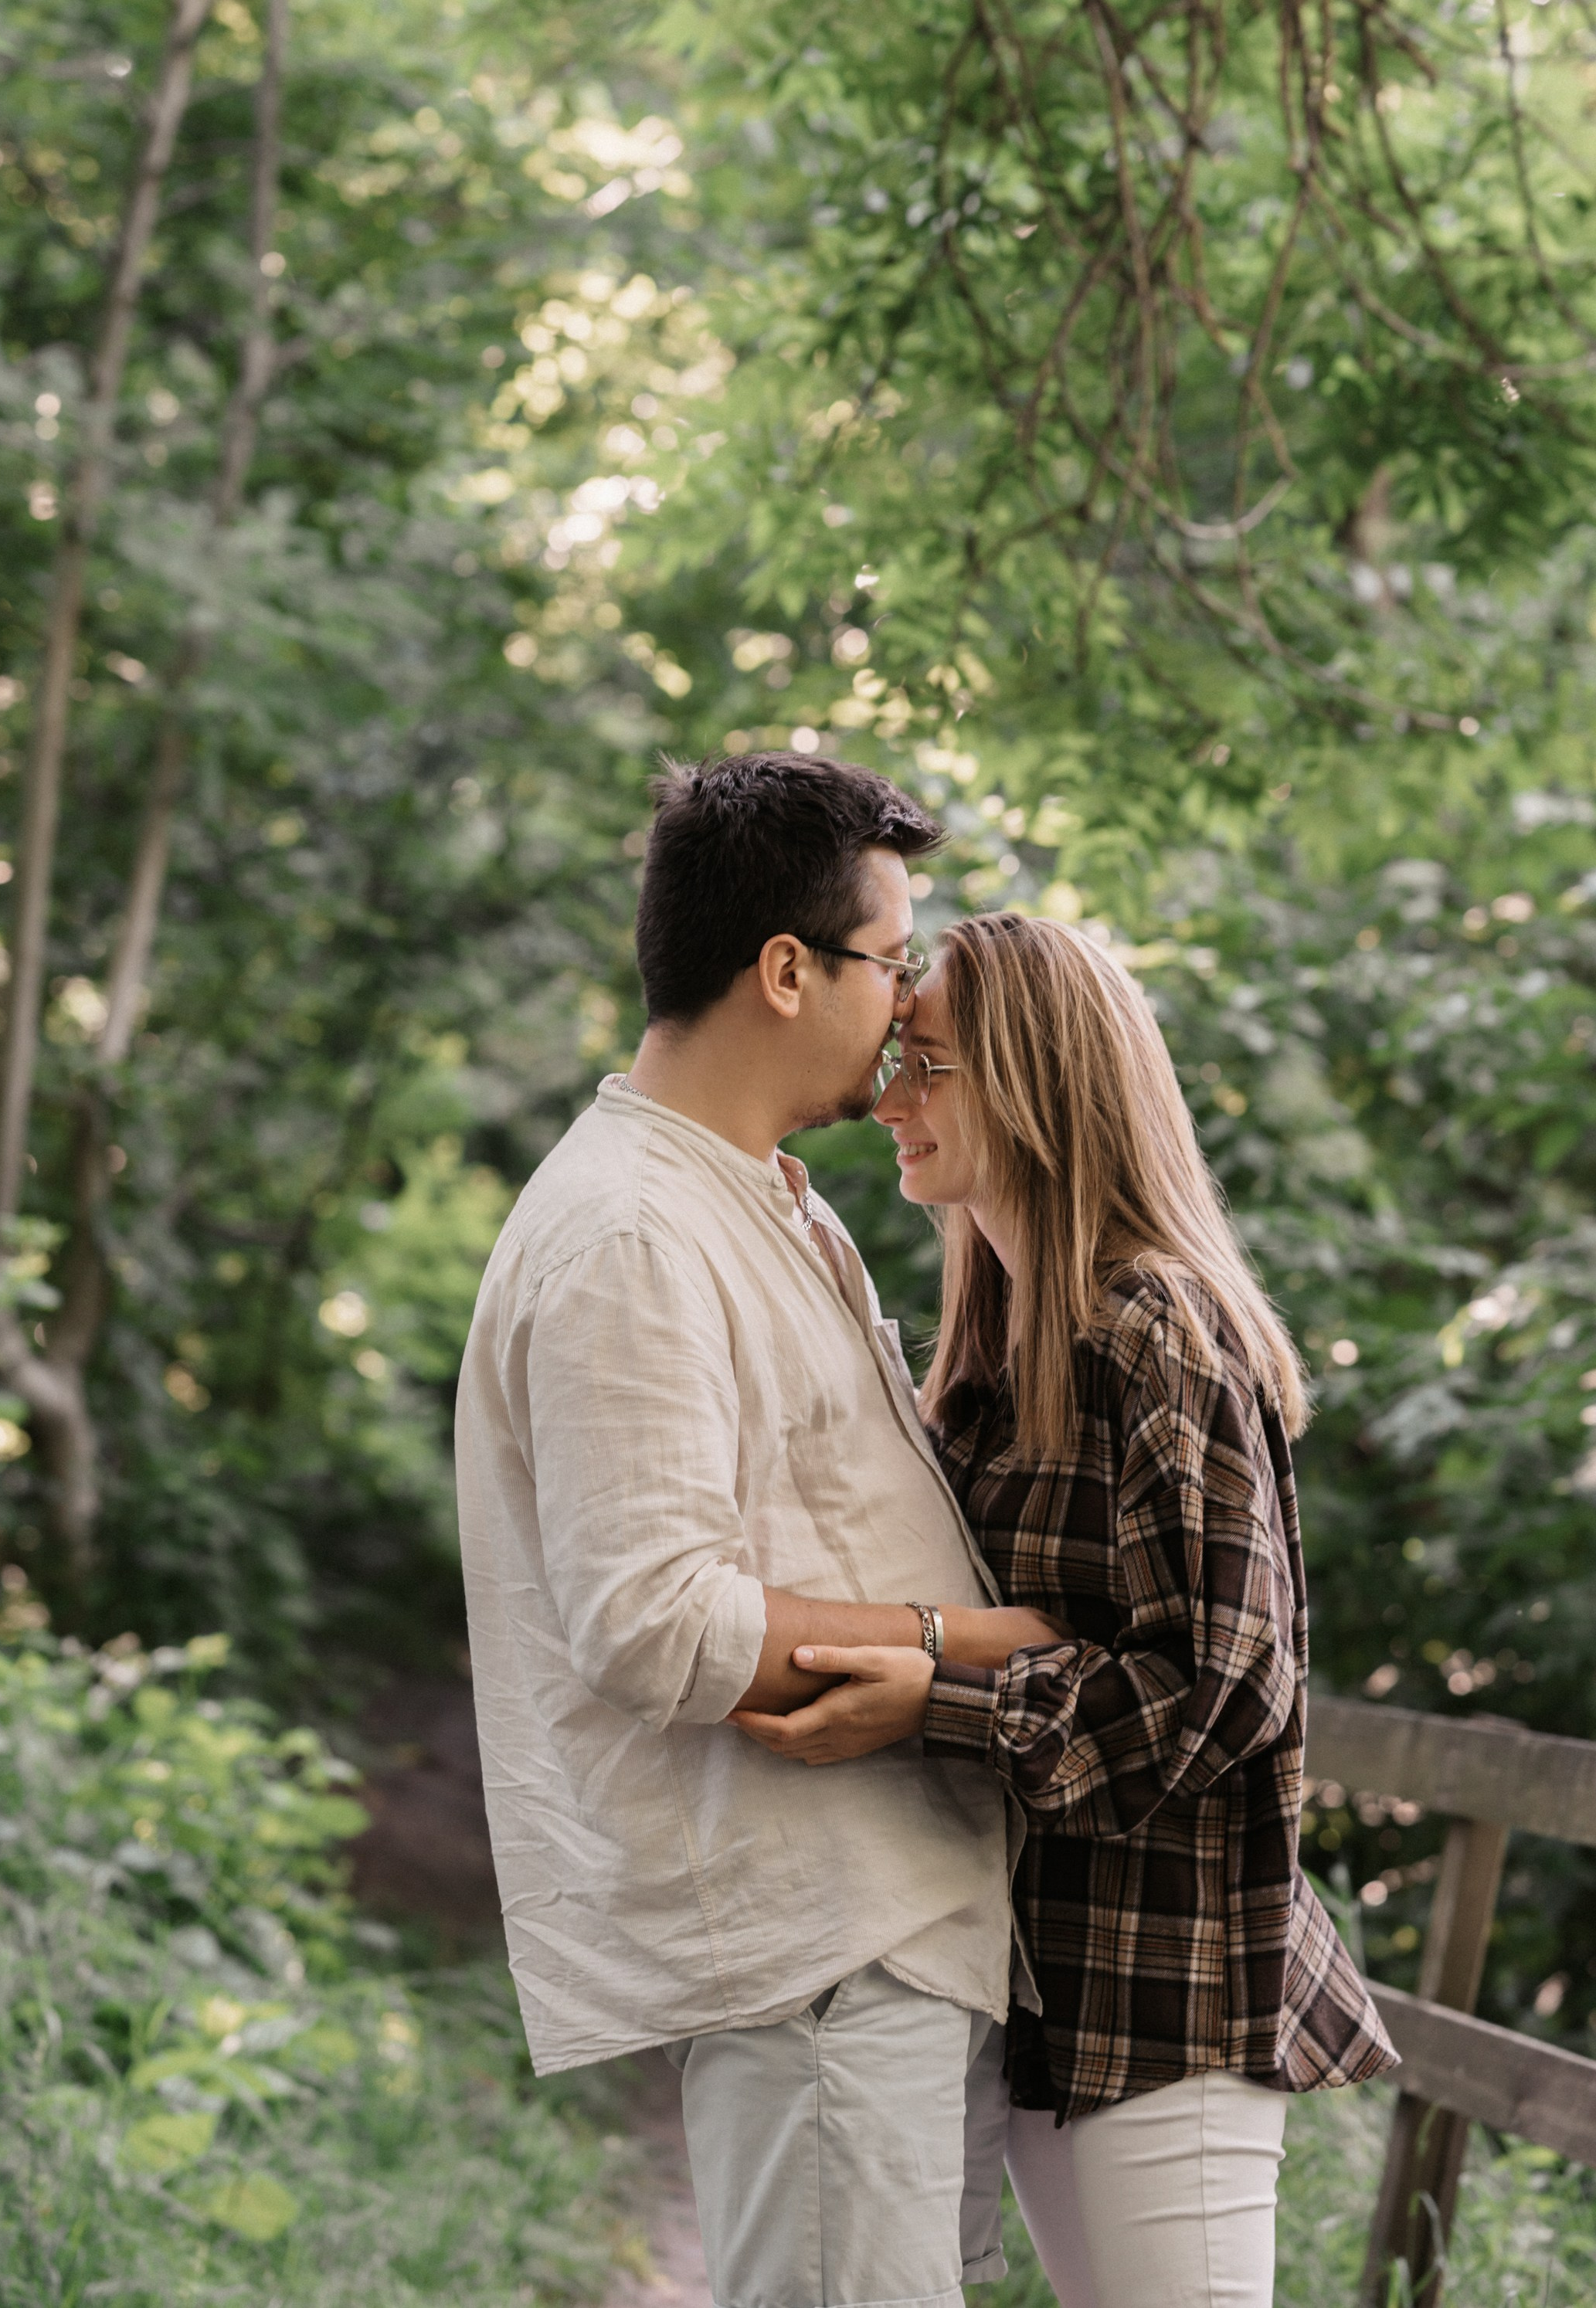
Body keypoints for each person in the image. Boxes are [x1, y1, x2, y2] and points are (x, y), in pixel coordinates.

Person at [455, 756, 1065, 2308]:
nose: (911, 1003)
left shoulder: (767, 1201)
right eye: (891, 959)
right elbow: (652, 1617)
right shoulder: (630, 1232)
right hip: (816, 1962)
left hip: (877, 1941)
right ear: (786, 970)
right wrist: (966, 1643)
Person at [732, 910, 1397, 2308]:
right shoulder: (992, 1348)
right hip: (1038, 1975)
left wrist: (939, 1697)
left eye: (930, 1064)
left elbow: (1224, 1685)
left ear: (1039, 1082)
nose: (888, 1099)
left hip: (1167, 1996)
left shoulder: (1157, 1323)